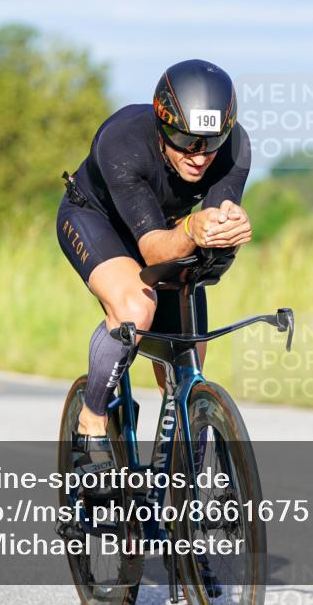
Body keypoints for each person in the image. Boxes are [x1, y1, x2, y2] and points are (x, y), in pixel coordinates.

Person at [56, 59, 252, 479]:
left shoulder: (234, 149)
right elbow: (153, 249)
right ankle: (92, 420)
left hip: (169, 231)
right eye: (185, 140)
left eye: (211, 141)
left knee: (187, 361)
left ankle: (184, 481)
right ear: (163, 126)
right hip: (99, 223)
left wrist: (228, 232)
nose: (199, 155)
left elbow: (208, 244)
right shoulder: (122, 141)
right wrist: (193, 228)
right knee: (135, 308)